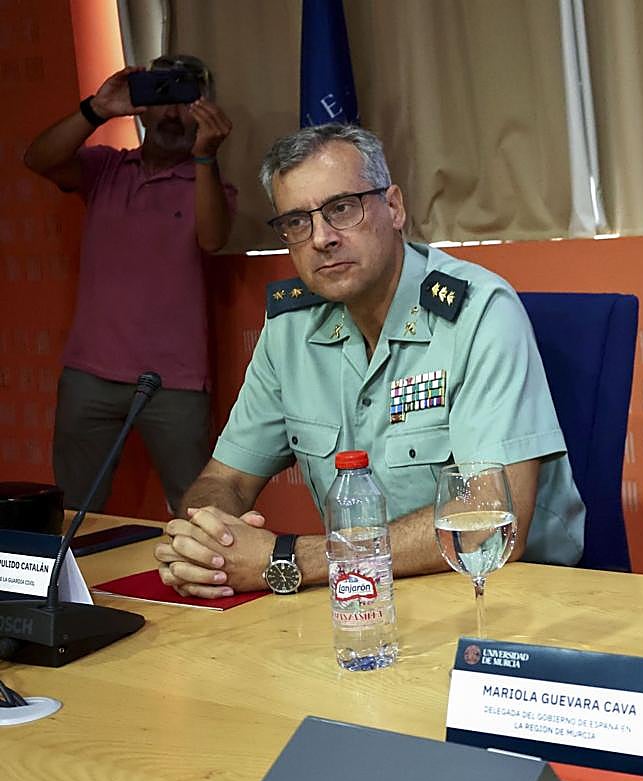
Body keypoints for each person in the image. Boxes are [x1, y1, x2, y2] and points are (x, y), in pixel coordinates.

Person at [154, 124, 584, 598]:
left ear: (394, 207)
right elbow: (226, 478)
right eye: (297, 221)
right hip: (361, 602)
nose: (321, 238)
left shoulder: (477, 313)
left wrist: (285, 559)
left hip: (510, 600)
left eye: (341, 209)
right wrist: (204, 541)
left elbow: (489, 522)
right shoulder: (290, 327)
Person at [23, 55, 235, 516]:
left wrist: (205, 156)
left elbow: (213, 238)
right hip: (91, 373)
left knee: (199, 512)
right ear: (143, 106)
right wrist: (97, 109)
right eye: (161, 97)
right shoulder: (106, 170)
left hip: (176, 381)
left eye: (185, 100)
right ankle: (69, 589)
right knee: (74, 512)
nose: (173, 114)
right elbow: (36, 159)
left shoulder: (209, 181)